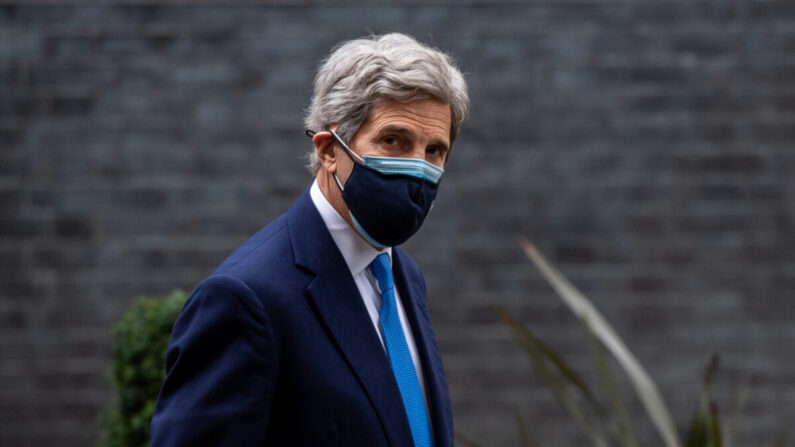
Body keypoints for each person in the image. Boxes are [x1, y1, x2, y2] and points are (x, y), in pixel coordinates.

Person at [150, 32, 469, 447]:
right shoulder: (245, 299)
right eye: (394, 141)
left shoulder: (401, 273)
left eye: (434, 151)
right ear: (329, 150)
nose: (418, 168)